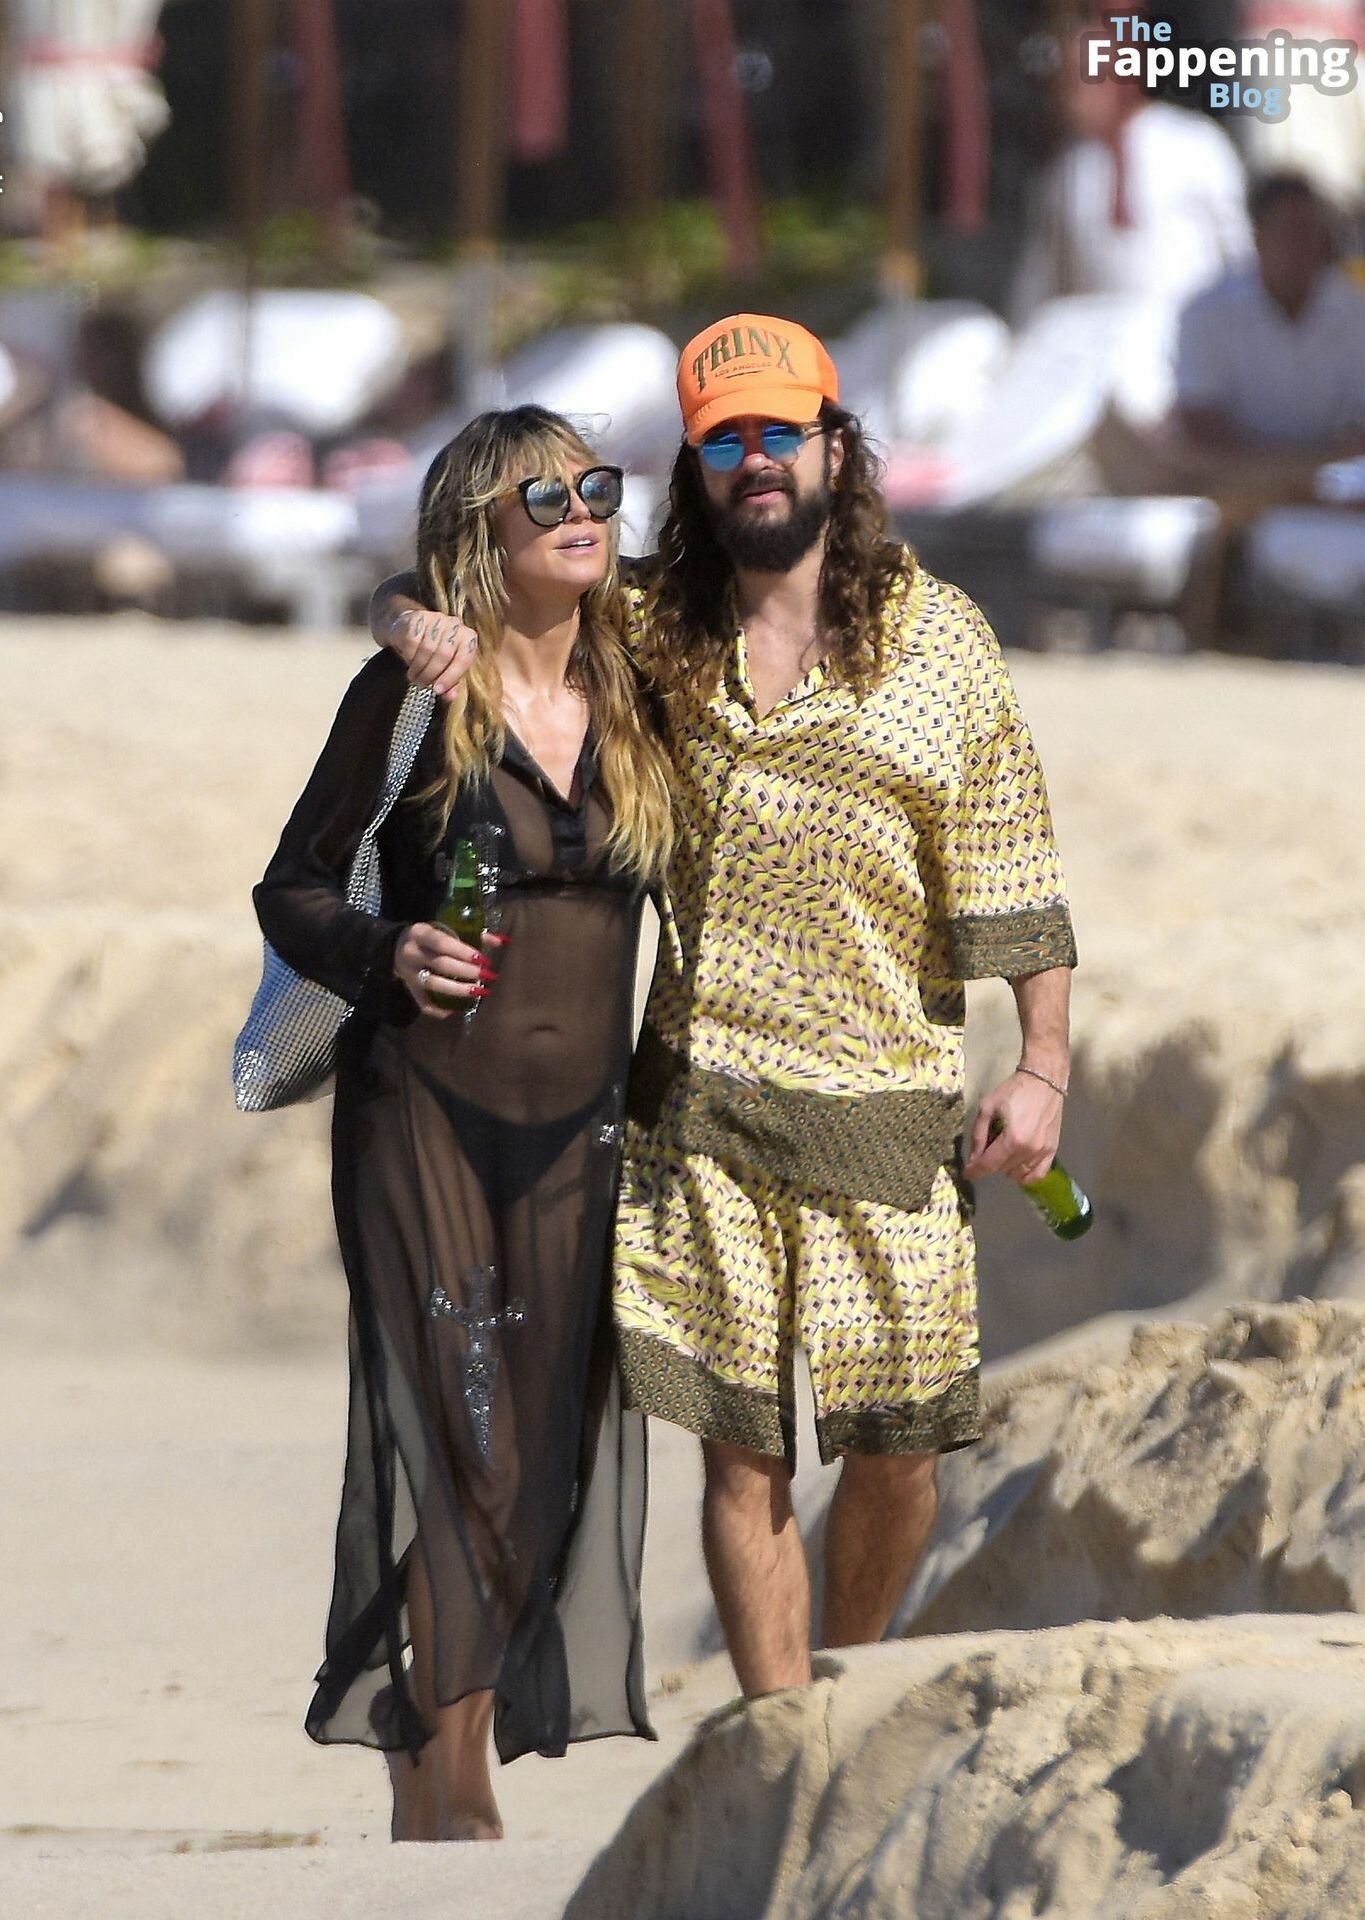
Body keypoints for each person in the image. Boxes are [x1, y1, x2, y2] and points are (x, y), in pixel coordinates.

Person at [373, 314, 1077, 1701]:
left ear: (834, 449)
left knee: (899, 1453)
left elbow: (1014, 867)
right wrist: (409, 623)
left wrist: (1042, 1063)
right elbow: (447, 583)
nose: (755, 461)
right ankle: (784, 1730)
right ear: (695, 467)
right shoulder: (649, 626)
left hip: (890, 1101)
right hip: (703, 1105)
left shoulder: (941, 641)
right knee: (742, 1459)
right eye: (722, 441)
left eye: (779, 434)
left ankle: (846, 1683)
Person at [252, 405, 672, 1842]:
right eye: (542, 497)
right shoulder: (417, 694)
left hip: (579, 1130)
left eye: (596, 486)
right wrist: (390, 950)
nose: (582, 511)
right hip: (422, 1110)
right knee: (469, 1441)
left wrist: (396, 595)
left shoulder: (639, 680)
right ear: (478, 533)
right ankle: (452, 1773)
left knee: (539, 1458)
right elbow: (292, 888)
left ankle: (428, 1746)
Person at [1010, 25, 1249, 323]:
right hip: (1099, 338)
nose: (1070, 97)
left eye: (1083, 78)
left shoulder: (1195, 144)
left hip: (1190, 331)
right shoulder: (1066, 170)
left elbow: (1238, 253)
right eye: (1066, 81)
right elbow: (1041, 276)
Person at [1173, 172, 1365, 459]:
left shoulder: (1355, 309)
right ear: (1258, 235)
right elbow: (1199, 420)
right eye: (1290, 231)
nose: (1302, 246)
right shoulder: (1206, 312)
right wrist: (1279, 470)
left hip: (1332, 474)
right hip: (1232, 473)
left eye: (1311, 232)